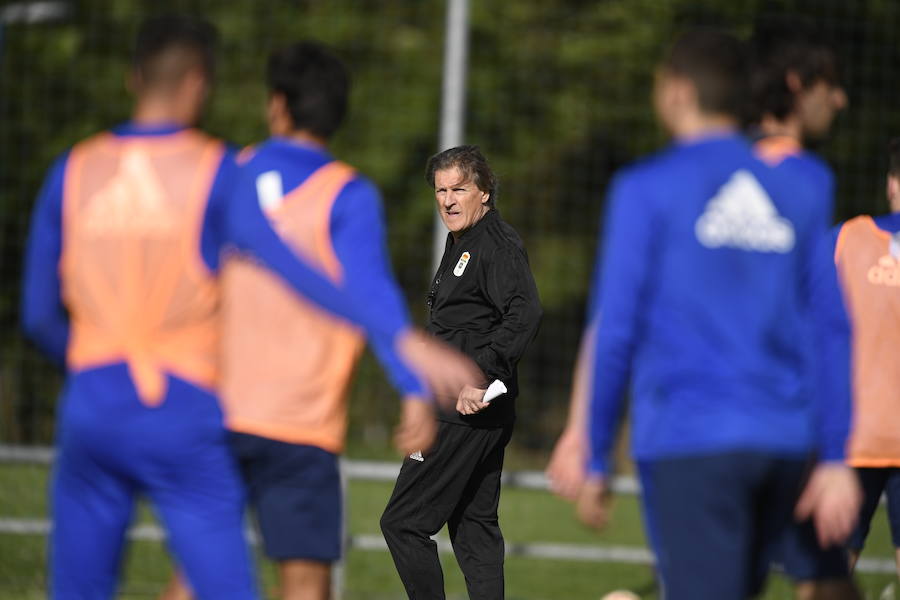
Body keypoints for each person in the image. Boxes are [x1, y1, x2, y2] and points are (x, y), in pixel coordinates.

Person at [20, 17, 477, 599]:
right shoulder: (224, 176)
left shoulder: (80, 168)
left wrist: (94, 363)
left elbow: (37, 313)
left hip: (138, 405)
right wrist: (404, 349)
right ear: (198, 83)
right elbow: (312, 272)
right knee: (273, 583)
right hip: (230, 411)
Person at [572, 31, 861, 599]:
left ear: (677, 92)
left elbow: (616, 329)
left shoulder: (644, 187)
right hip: (784, 444)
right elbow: (829, 327)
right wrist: (833, 455)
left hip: (691, 439)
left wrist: (596, 449)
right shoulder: (806, 185)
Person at [162, 41, 448, 600]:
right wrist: (413, 388)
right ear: (337, 114)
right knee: (305, 583)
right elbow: (375, 294)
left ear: (277, 106)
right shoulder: (348, 195)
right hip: (301, 422)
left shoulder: (227, 175)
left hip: (213, 409)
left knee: (194, 577)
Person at [380, 145, 542, 600]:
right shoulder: (464, 241)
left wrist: (481, 376)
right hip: (477, 407)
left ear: (484, 192)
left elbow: (525, 313)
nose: (448, 200)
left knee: (403, 523)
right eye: (441, 190)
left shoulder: (495, 244)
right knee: (474, 530)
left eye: (459, 189)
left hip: (464, 408)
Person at [836, 138, 900, 576]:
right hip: (855, 439)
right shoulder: (846, 239)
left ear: (891, 184)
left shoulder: (844, 240)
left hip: (853, 436)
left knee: (828, 578)